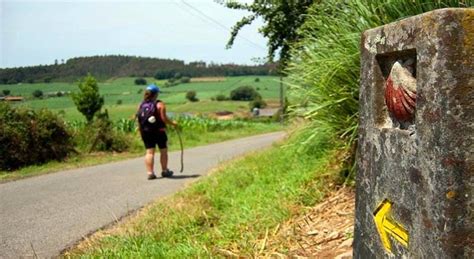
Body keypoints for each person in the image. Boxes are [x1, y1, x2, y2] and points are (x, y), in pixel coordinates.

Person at [136, 84, 177, 180]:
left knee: (149, 152)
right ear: (156, 94)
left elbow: (139, 119)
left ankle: (150, 173)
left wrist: (140, 130)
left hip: (146, 132)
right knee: (163, 151)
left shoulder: (141, 105)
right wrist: (173, 124)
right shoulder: (159, 104)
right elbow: (164, 119)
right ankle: (165, 170)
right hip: (159, 131)